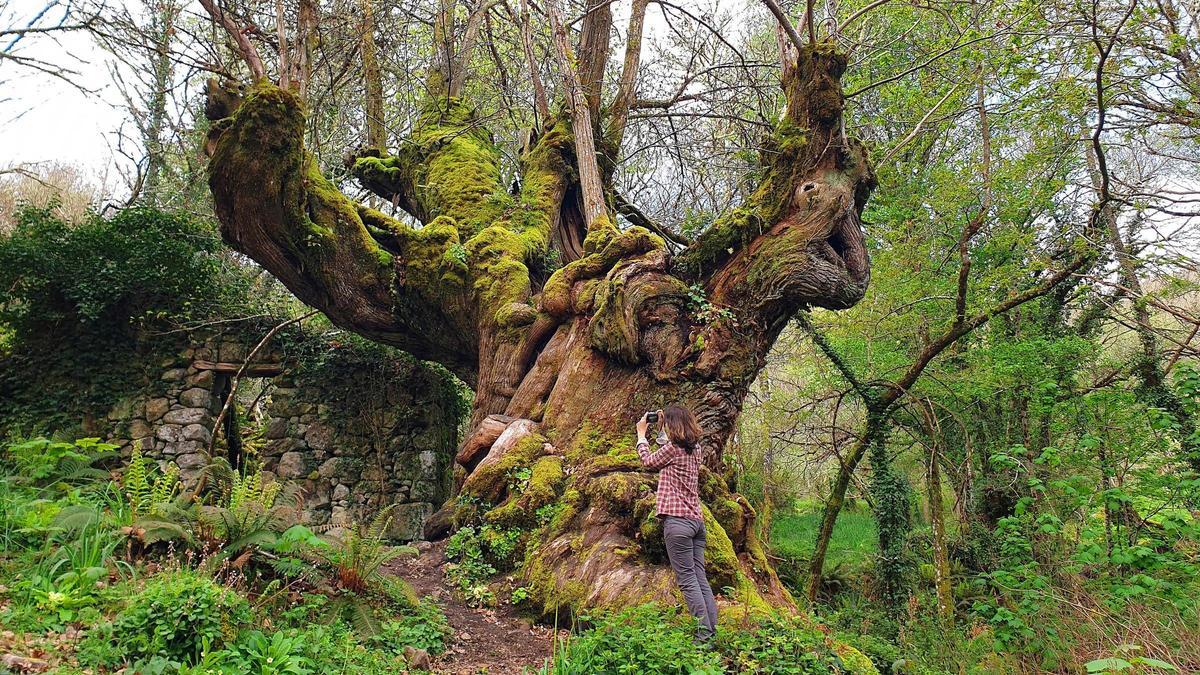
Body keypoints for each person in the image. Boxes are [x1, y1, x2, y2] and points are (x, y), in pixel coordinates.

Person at [636, 404, 717, 643]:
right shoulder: (696, 449)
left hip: (677, 523)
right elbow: (669, 450)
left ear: (673, 426)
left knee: (687, 580)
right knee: (699, 577)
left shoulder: (672, 449)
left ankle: (703, 636)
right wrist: (661, 428)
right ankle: (711, 631)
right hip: (696, 522)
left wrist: (642, 436)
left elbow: (648, 462)